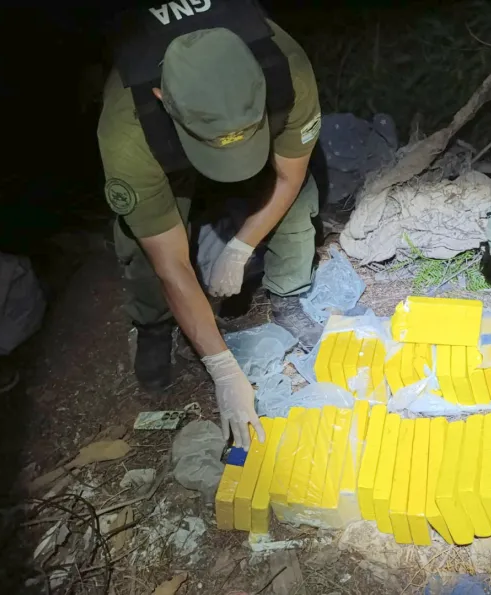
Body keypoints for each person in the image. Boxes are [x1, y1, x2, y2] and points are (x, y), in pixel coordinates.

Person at [97, 1, 322, 449]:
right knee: (140, 242)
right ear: (162, 98)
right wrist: (224, 370)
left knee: (299, 198)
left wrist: (240, 246)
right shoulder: (128, 131)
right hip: (165, 144)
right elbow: (171, 263)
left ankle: (289, 291)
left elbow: (290, 176)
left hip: (261, 116)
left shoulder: (288, 69)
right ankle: (153, 325)